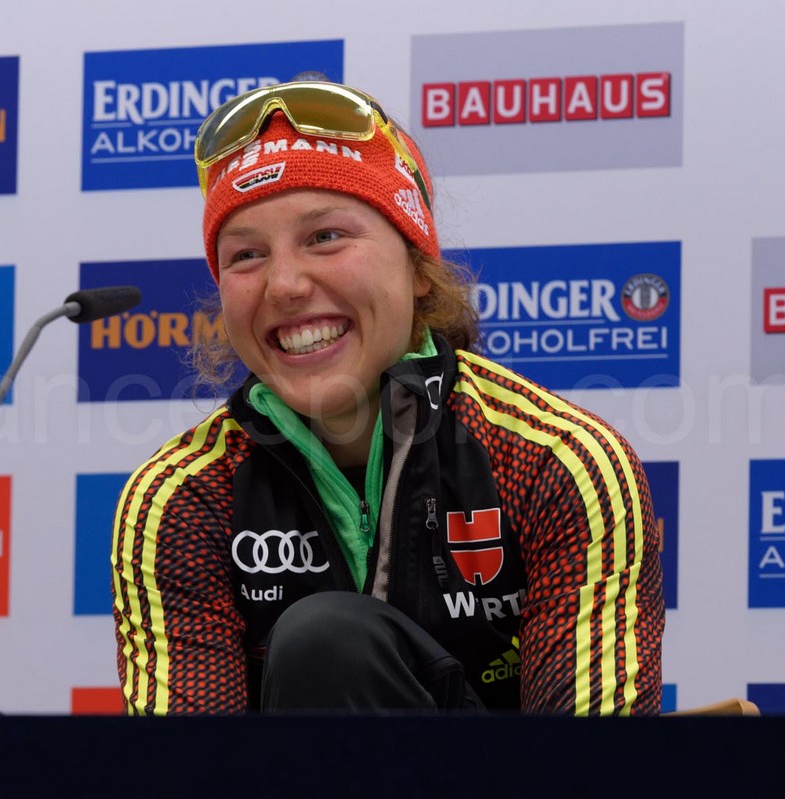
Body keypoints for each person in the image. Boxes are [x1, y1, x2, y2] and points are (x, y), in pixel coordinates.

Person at [111, 78, 664, 715]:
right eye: (246, 255)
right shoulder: (181, 501)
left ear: (417, 266)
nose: (284, 284)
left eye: (325, 237)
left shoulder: (558, 462)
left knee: (328, 642)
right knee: (327, 643)